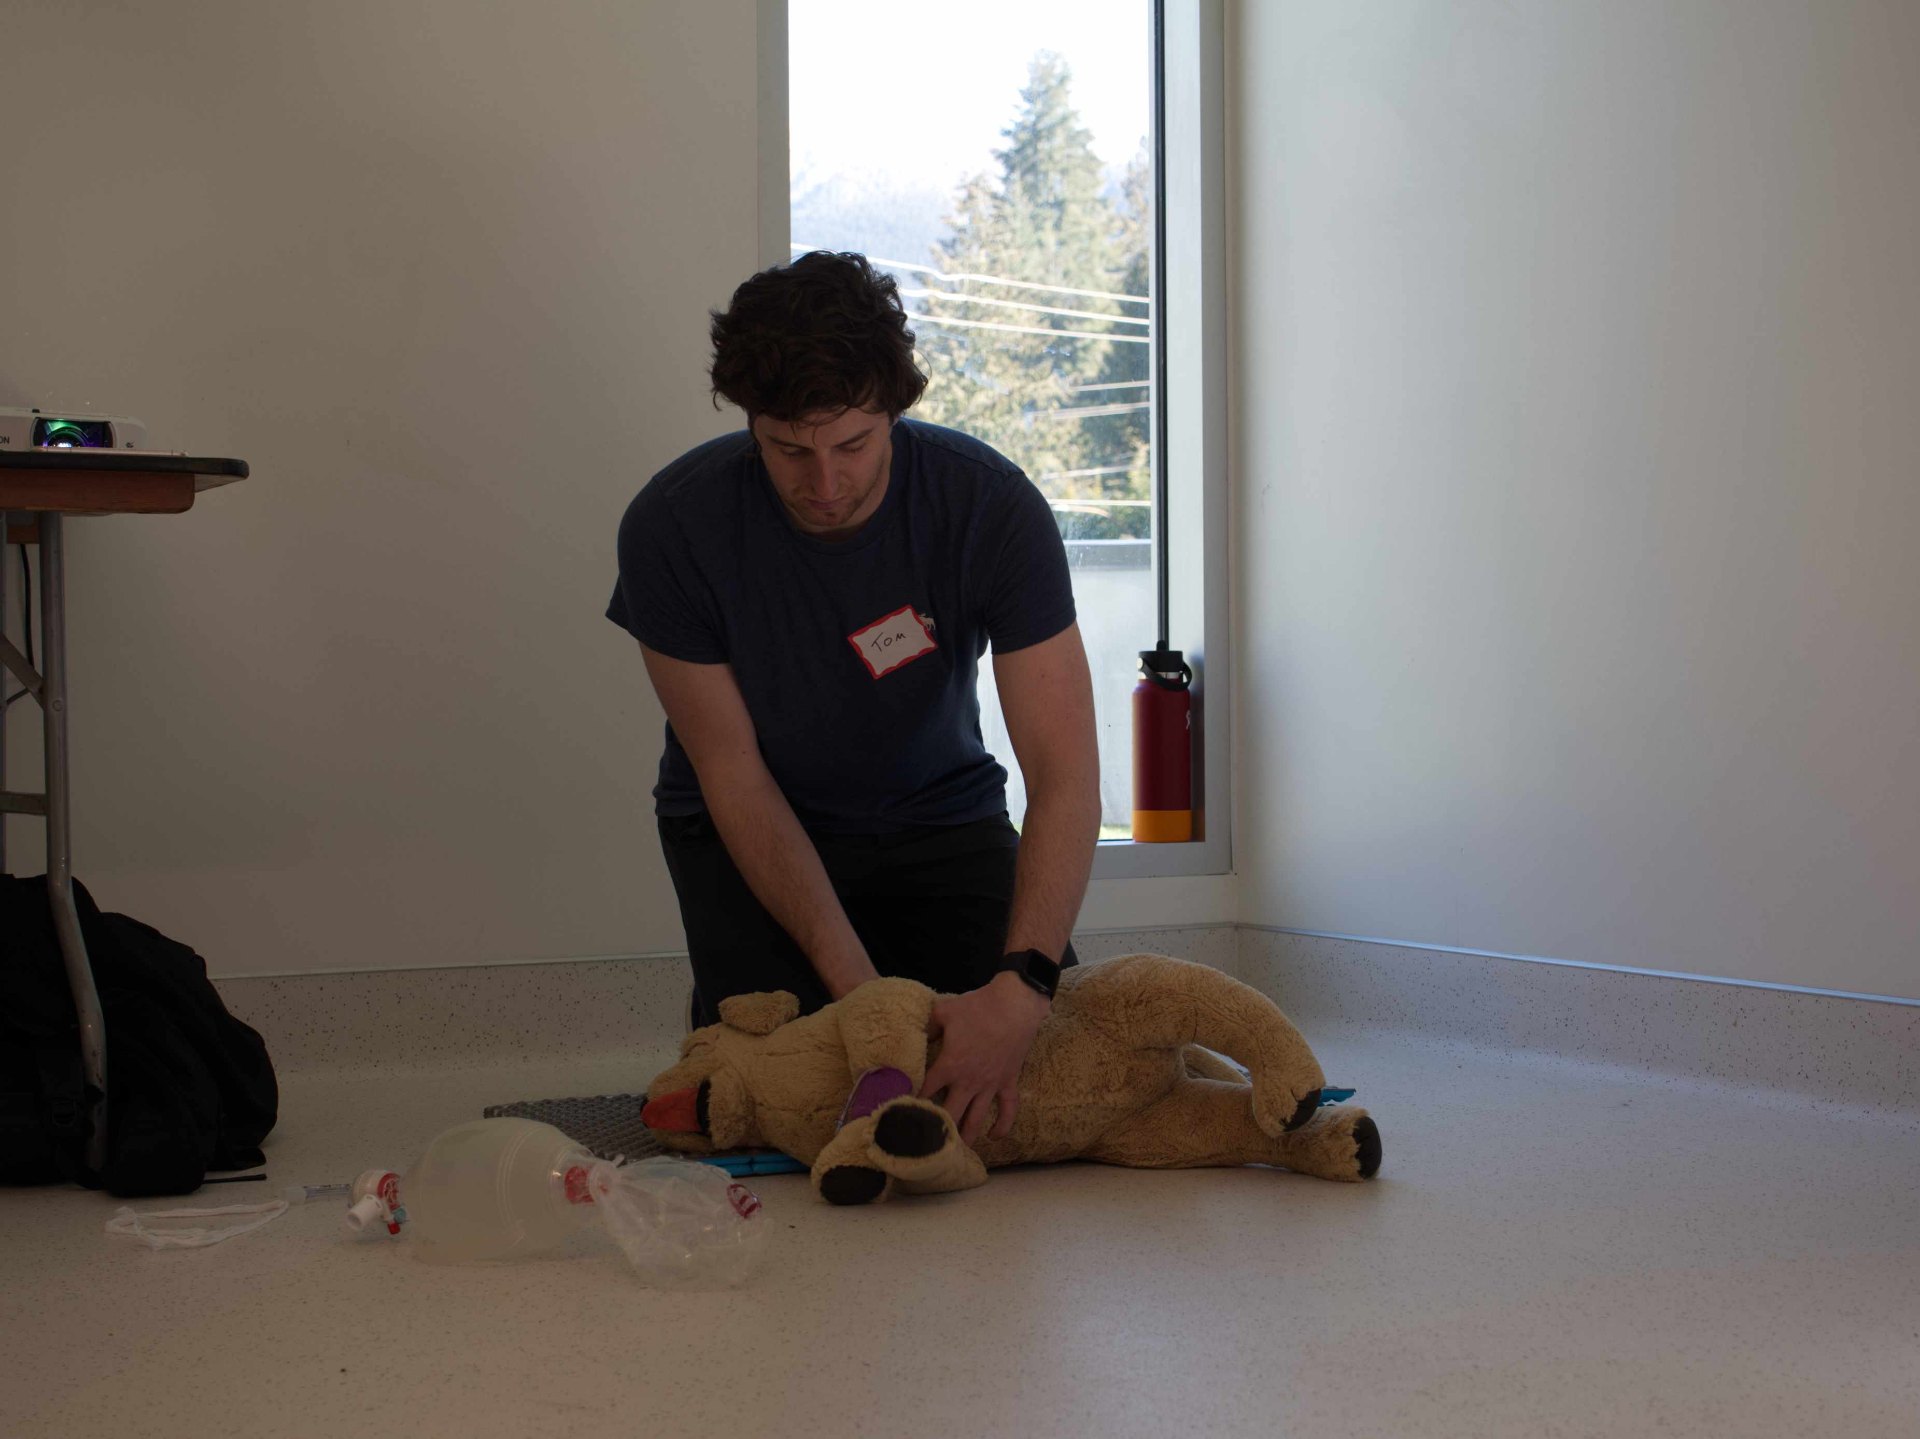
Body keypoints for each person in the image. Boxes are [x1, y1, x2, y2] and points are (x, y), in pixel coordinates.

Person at [608, 250, 1100, 1147]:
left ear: (895, 412)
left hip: (940, 818)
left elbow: (1065, 776)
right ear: (748, 422)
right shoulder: (671, 526)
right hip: (749, 825)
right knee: (788, 1095)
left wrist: (1026, 981)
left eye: (853, 445)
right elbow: (732, 773)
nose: (825, 484)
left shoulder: (990, 508)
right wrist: (862, 997)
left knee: (1040, 1069)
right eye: (789, 450)